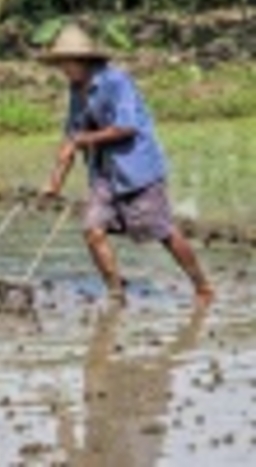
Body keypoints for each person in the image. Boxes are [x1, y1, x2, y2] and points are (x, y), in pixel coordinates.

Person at [38, 23, 214, 307]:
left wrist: (85, 139)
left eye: (67, 63)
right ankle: (116, 294)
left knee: (163, 231)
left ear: (83, 61)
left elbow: (127, 127)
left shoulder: (116, 82)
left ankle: (202, 286)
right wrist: (54, 182)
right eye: (60, 64)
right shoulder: (76, 90)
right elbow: (70, 137)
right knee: (93, 230)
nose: (64, 70)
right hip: (104, 172)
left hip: (137, 169)